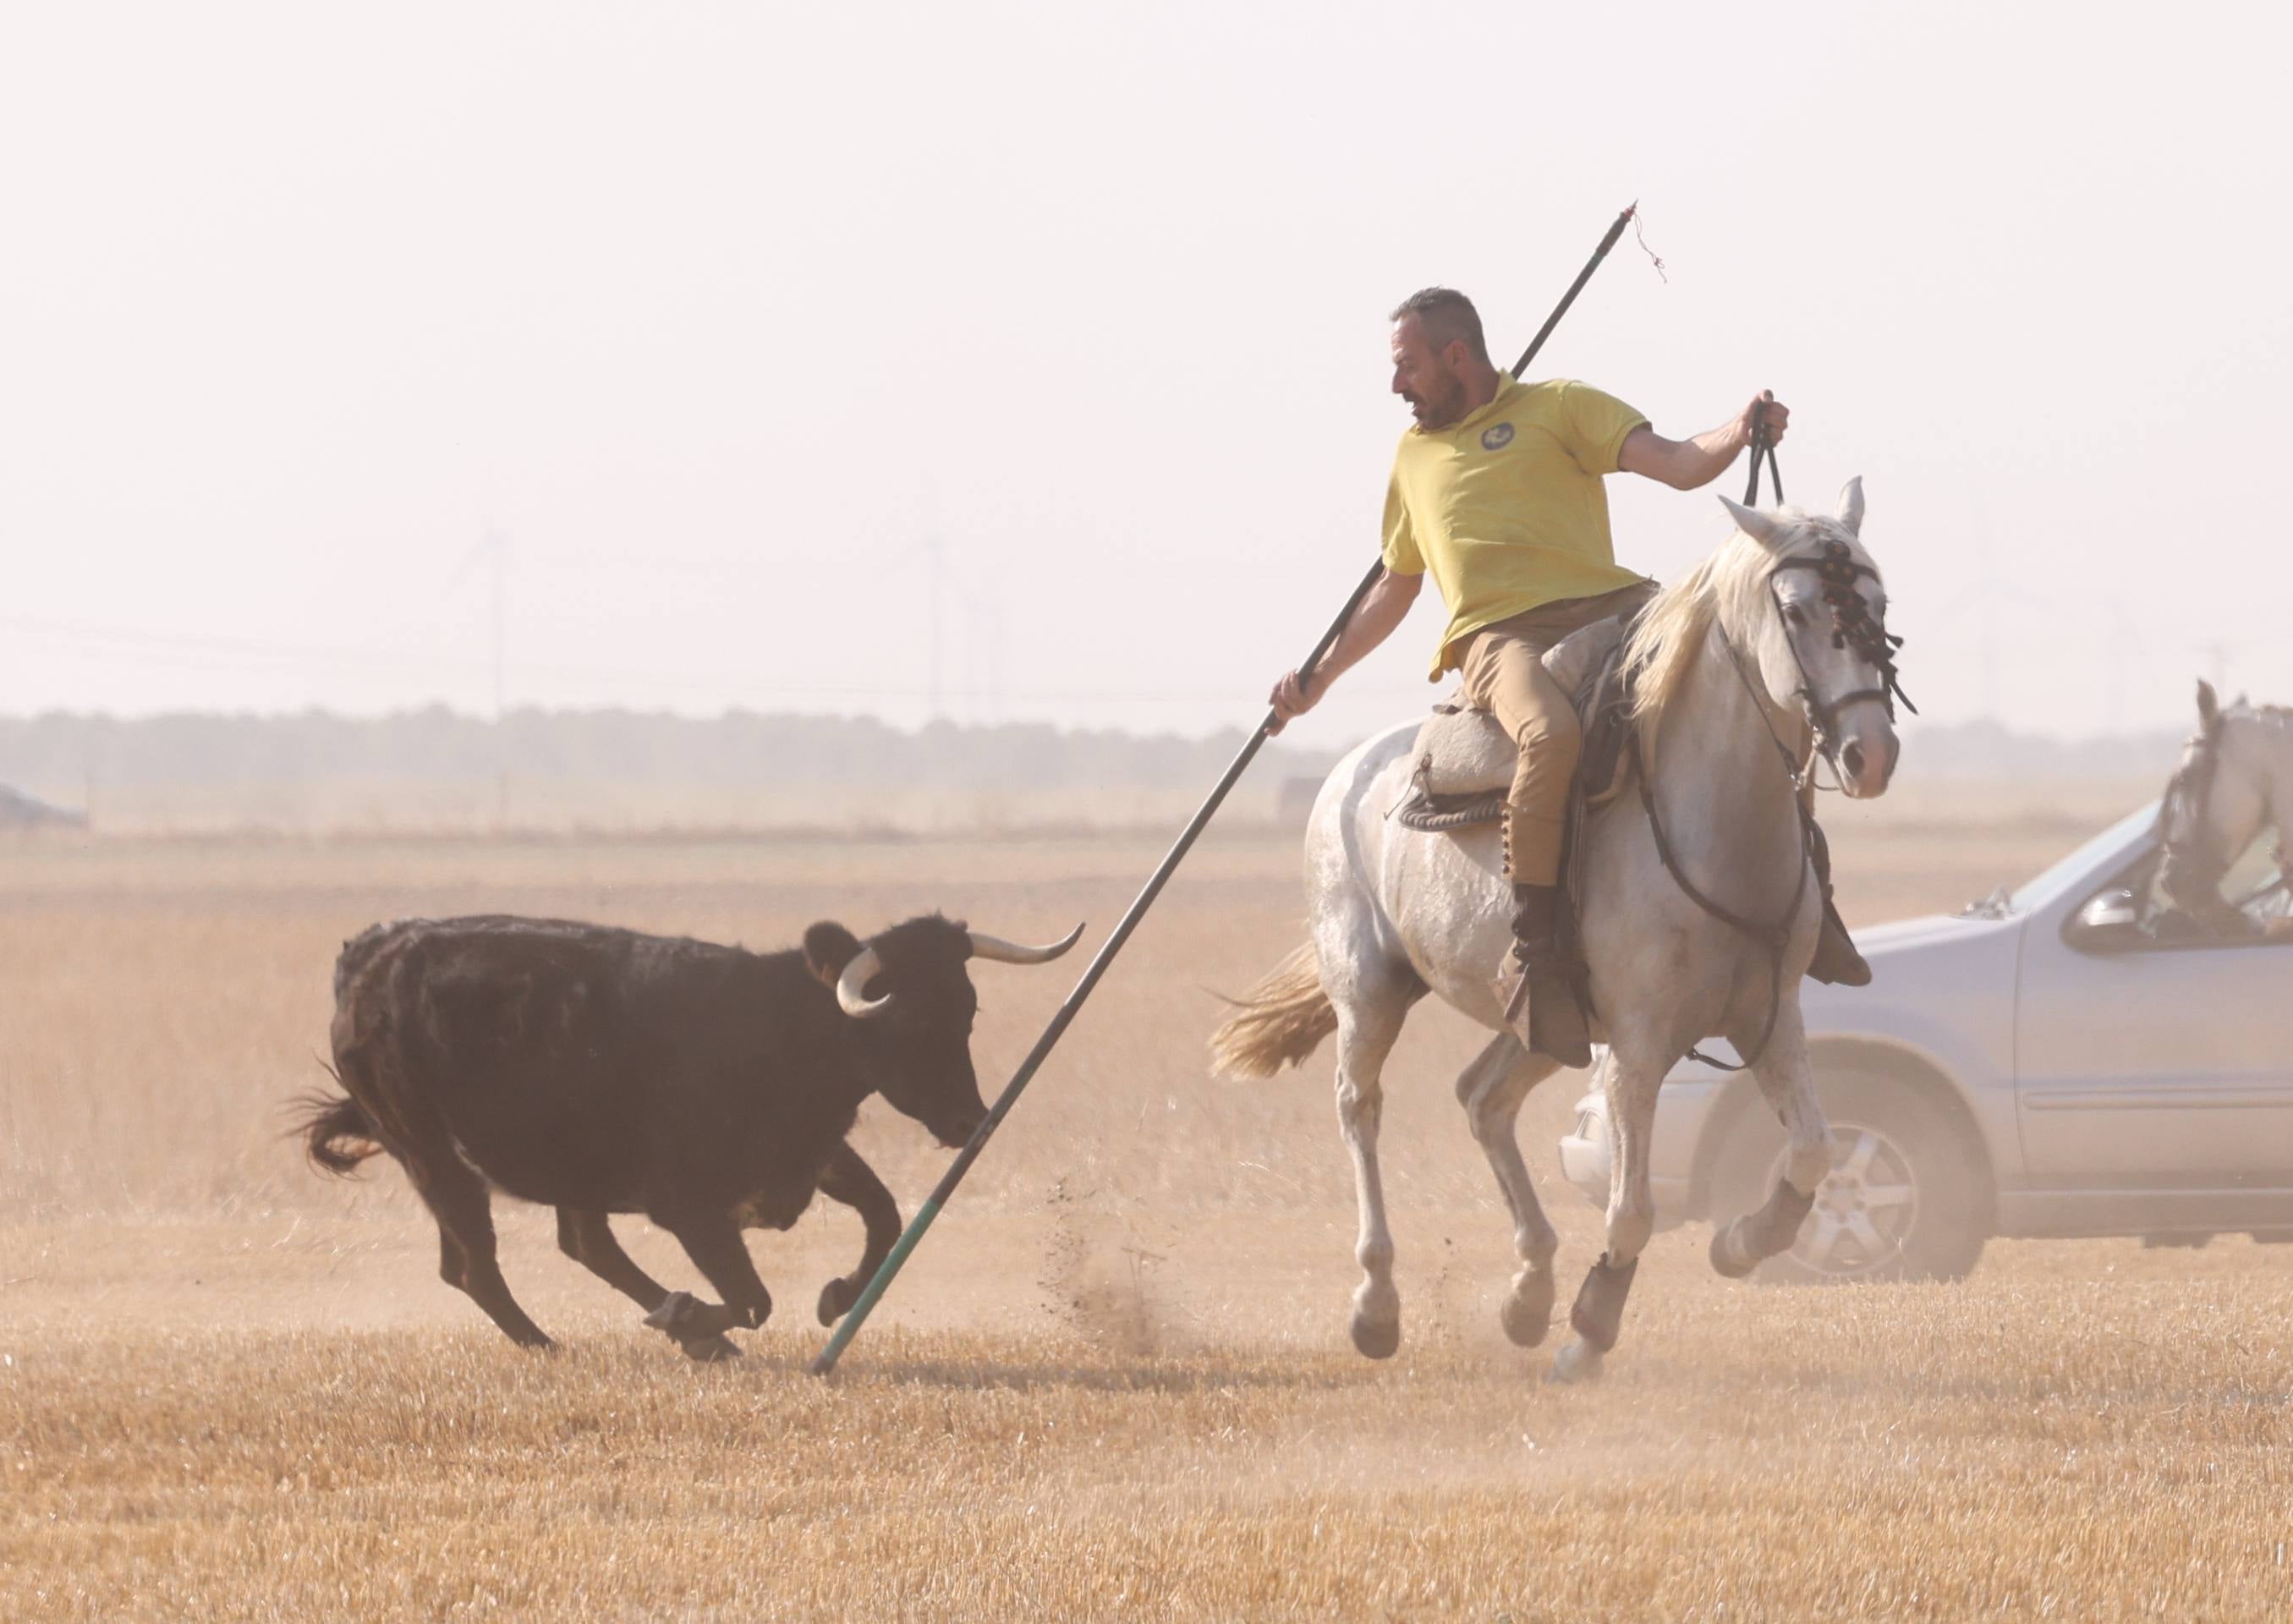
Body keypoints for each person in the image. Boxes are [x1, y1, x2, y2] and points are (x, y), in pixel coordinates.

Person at [1268, 287, 1868, 1067]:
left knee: (1745, 689)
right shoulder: (1412, 458)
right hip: (1500, 637)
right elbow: (1395, 585)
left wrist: (1741, 427)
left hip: (1617, 607)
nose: (1396, 386)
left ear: (1456, 358)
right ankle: (1539, 949)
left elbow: (1683, 465)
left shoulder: (1562, 406)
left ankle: (1805, 905)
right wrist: (1317, 678)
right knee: (1550, 736)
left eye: (1406, 367)